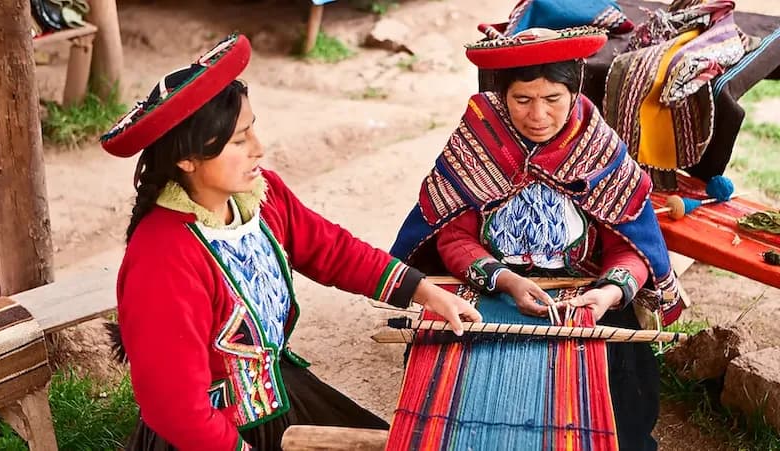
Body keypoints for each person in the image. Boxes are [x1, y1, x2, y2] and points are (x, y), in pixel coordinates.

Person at [101, 34, 481, 451]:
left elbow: (331, 250)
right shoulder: (163, 258)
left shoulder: (261, 197)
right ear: (186, 158)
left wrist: (426, 292)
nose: (258, 149)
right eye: (239, 141)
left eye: (253, 130)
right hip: (207, 437)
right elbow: (176, 410)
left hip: (278, 398)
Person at [390, 26, 685, 451]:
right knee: (442, 381)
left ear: (575, 91)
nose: (538, 115)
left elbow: (631, 247)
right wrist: (506, 280)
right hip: (490, 284)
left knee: (624, 396)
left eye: (553, 99)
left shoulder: (598, 149)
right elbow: (452, 236)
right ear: (501, 95)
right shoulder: (478, 142)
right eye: (522, 99)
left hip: (584, 290)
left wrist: (607, 295)